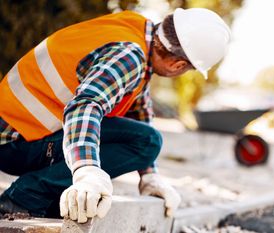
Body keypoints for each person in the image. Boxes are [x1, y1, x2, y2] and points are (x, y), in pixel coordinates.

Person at [0, 8, 231, 223]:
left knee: (146, 138)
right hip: (15, 142)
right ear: (178, 65)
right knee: (148, 141)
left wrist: (149, 176)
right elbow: (85, 106)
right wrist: (86, 170)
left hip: (17, 132)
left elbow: (139, 113)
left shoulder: (134, 30)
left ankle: (48, 198)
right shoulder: (130, 56)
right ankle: (25, 197)